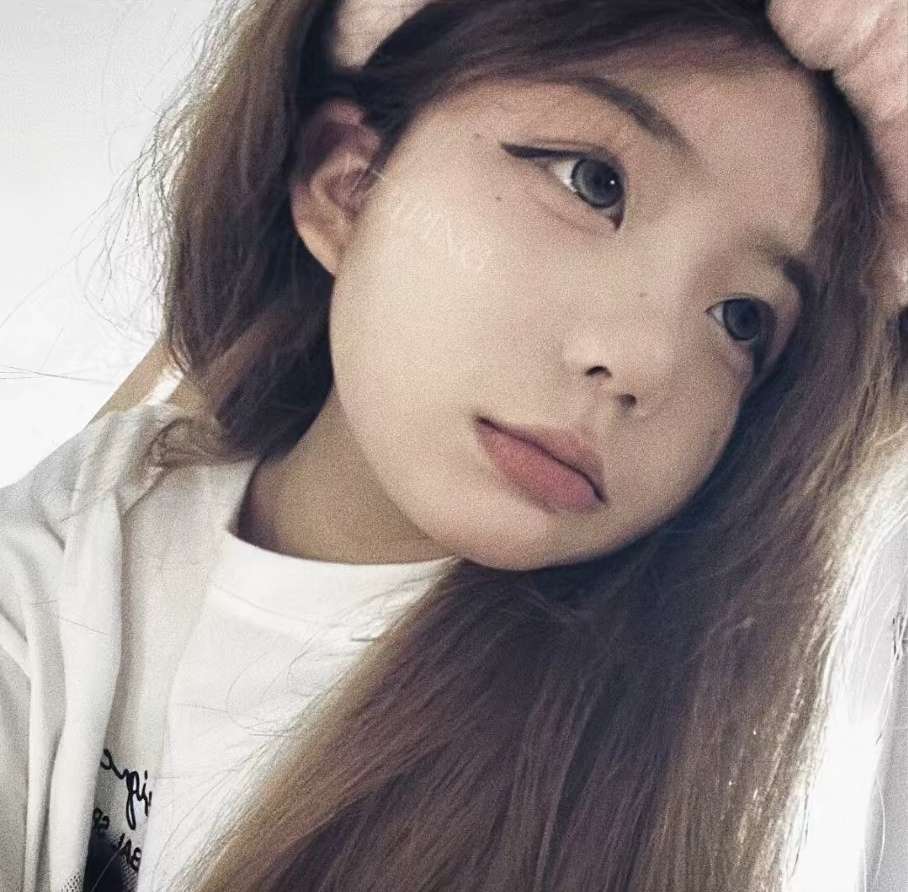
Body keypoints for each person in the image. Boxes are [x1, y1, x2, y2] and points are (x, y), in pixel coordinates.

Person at [2, 0, 907, 890]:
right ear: (349, 185)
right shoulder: (114, 493)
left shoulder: (618, 788)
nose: (643, 363)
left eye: (741, 319)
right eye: (593, 183)